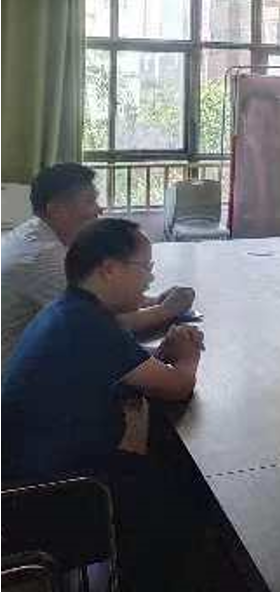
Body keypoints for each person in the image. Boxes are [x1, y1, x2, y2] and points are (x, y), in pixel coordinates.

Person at [2, 217, 206, 590]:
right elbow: (178, 387)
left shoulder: (71, 310)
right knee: (187, 496)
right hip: (52, 493)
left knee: (166, 460)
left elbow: (129, 368)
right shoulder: (89, 325)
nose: (149, 279)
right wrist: (189, 353)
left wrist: (165, 352)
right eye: (145, 267)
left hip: (25, 473)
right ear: (109, 269)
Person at [2, 164, 196, 366]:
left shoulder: (38, 233)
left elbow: (96, 301)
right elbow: (98, 325)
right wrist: (165, 311)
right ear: (56, 210)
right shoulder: (43, 255)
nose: (99, 209)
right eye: (89, 201)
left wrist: (152, 301)